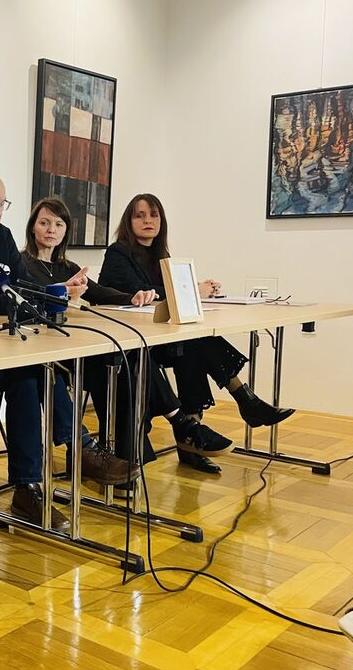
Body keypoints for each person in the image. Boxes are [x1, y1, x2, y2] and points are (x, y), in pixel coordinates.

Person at [0, 166, 138, 532]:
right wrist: (31, 301)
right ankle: (75, 453)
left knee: (32, 366)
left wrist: (54, 294)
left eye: (2, 203)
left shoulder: (1, 236)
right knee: (29, 366)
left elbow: (23, 287)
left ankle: (30, 487)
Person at [22, 196, 232, 471]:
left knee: (134, 357)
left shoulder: (69, 267)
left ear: (66, 231)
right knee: (129, 363)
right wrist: (60, 292)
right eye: (44, 223)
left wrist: (132, 297)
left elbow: (99, 292)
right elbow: (26, 300)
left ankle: (134, 459)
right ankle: (180, 425)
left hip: (82, 348)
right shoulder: (22, 263)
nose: (52, 229)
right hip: (51, 356)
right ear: (32, 227)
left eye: (59, 224)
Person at [99, 193, 295, 473]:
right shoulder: (118, 253)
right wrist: (191, 290)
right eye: (139, 216)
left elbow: (166, 294)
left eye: (153, 215)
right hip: (132, 342)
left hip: (158, 336)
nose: (147, 221)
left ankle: (196, 433)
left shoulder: (160, 256)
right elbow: (142, 293)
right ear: (128, 221)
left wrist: (196, 288)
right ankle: (236, 405)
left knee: (194, 344)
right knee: (194, 344)